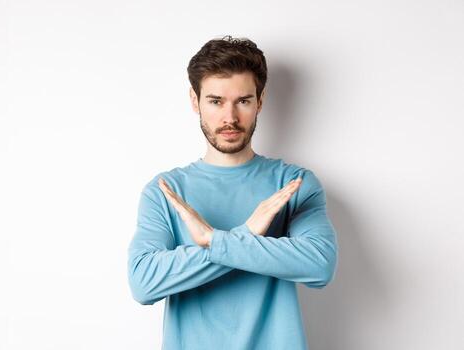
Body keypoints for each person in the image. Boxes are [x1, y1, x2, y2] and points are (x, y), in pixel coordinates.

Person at [126, 35, 338, 349]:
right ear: (195, 101)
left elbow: (319, 264)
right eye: (216, 101)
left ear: (260, 101)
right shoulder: (166, 191)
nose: (230, 117)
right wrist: (248, 232)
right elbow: (144, 282)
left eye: (243, 101)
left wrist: (216, 240)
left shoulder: (293, 183)